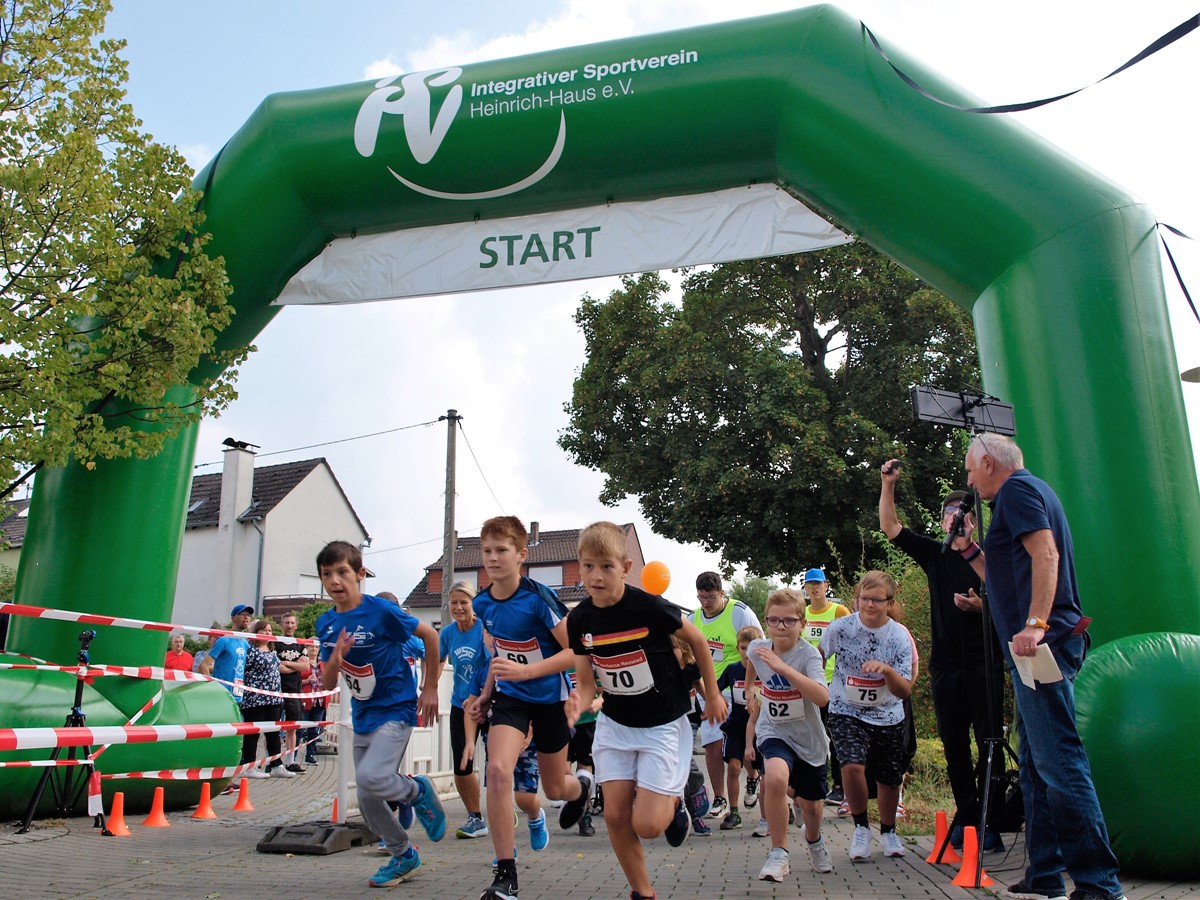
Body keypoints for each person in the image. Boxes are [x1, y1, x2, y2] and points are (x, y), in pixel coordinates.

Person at [958, 435, 1125, 900]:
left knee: (1060, 764)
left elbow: (1045, 554)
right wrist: (970, 551)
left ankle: (1100, 885)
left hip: (1042, 647)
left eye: (971, 470)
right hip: (1037, 649)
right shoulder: (1030, 492)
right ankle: (1045, 873)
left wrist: (1035, 624)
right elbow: (1007, 575)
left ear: (989, 463)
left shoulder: (1016, 491)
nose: (968, 480)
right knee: (1033, 764)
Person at [566, 521, 726, 900]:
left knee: (649, 825)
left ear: (625, 567)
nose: (596, 576)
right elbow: (587, 678)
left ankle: (674, 800)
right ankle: (643, 893)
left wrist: (713, 694)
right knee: (615, 816)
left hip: (662, 725)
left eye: (606, 566)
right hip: (616, 726)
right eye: (588, 566)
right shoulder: (580, 619)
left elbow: (699, 642)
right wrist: (580, 699)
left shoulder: (648, 606)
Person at [879, 459, 1006, 850]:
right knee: (954, 746)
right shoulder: (935, 554)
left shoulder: (991, 556)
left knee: (989, 742)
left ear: (974, 520)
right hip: (947, 665)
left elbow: (1009, 603)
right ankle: (967, 819)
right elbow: (890, 528)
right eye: (950, 514)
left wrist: (980, 608)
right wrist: (888, 485)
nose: (956, 520)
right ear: (941, 520)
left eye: (962, 514)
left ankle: (991, 824)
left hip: (985, 662)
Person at [469, 515, 591, 900]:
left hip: (550, 699)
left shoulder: (538, 598)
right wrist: (486, 694)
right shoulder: (482, 603)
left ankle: (582, 788)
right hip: (511, 700)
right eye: (486, 551)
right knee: (498, 769)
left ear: (521, 555)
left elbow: (576, 653)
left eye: (501, 550)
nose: (492, 558)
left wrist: (530, 671)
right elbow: (499, 654)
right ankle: (506, 873)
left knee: (556, 787)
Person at [316, 540, 445, 888]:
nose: (334, 581)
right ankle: (404, 855)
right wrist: (335, 658)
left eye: (342, 572)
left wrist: (430, 687)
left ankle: (417, 791)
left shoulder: (381, 612)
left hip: (397, 707)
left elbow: (430, 636)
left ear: (360, 575)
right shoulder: (326, 624)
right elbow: (327, 679)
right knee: (367, 797)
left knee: (373, 777)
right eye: (327, 574)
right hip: (364, 715)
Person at [820, 571, 914, 862]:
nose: (869, 605)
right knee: (851, 766)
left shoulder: (898, 635)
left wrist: (886, 671)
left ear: (890, 603)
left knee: (889, 777)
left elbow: (904, 690)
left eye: (877, 600)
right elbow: (817, 658)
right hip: (845, 708)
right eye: (864, 599)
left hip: (887, 714)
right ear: (856, 598)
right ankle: (861, 828)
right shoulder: (839, 628)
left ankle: (888, 831)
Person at [743, 588, 833, 883]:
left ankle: (815, 839)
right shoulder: (758, 648)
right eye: (774, 620)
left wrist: (783, 668)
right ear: (766, 622)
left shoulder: (809, 656)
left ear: (802, 624)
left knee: (812, 807)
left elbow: (822, 697)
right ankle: (779, 853)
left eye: (788, 621)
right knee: (776, 779)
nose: (780, 627)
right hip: (773, 729)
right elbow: (751, 668)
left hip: (808, 738)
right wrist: (750, 692)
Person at [691, 571, 762, 823]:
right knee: (711, 743)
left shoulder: (739, 613)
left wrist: (756, 687)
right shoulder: (693, 618)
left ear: (722, 593)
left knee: (743, 744)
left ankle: (752, 776)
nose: (705, 602)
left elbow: (758, 646)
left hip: (739, 688)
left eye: (710, 597)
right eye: (701, 597)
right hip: (710, 690)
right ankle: (720, 798)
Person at [438, 579, 489, 840]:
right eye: (454, 602)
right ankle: (475, 817)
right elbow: (438, 661)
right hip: (461, 704)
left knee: (498, 763)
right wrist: (430, 692)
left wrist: (480, 695)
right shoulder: (448, 633)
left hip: (490, 701)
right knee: (462, 764)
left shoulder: (484, 628)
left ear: (473, 603)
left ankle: (504, 807)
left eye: (463, 602)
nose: (458, 607)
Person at [798, 568, 850, 807]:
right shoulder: (803, 613)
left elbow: (850, 641)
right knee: (812, 733)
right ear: (805, 588)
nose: (814, 588)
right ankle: (816, 783)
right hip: (807, 682)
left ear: (826, 586)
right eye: (810, 585)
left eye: (818, 584)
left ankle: (840, 787)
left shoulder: (838, 611)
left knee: (835, 734)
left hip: (832, 683)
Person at [716, 624, 764, 831]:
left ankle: (774, 809)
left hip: (763, 727)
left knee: (767, 770)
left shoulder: (766, 670)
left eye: (751, 648)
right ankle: (734, 812)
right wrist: (717, 700)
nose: (747, 653)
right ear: (738, 649)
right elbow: (714, 689)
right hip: (736, 726)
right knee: (734, 767)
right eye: (743, 648)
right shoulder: (733, 670)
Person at [240, 618, 291, 778]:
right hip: (255, 698)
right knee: (253, 733)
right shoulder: (250, 650)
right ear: (257, 633)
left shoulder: (272, 651)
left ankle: (276, 765)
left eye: (270, 631)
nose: (268, 633)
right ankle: (249, 766)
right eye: (264, 631)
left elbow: (277, 668)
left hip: (273, 698)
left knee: (273, 733)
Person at [277, 611, 310, 773]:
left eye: (292, 623)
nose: (289, 626)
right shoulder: (275, 643)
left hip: (295, 691)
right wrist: (293, 664)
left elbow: (305, 667)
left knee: (292, 727)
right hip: (277, 690)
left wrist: (286, 663)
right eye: (286, 622)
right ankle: (274, 760)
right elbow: (277, 668)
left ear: (296, 625)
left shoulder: (300, 644)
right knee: (273, 727)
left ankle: (291, 761)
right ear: (281, 625)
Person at [199, 604, 253, 700]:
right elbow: (203, 665)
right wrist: (212, 688)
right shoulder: (224, 640)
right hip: (222, 696)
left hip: (239, 696)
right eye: (242, 614)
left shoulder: (246, 643)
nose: (246, 617)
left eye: (249, 615)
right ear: (233, 618)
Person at [299, 643, 324, 765]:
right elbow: (295, 680)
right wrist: (306, 681)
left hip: (320, 701)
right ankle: (292, 758)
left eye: (316, 647)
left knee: (314, 730)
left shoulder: (323, 664)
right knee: (299, 730)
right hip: (305, 701)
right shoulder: (302, 662)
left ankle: (310, 755)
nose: (314, 649)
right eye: (311, 647)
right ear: (306, 649)